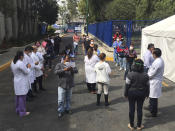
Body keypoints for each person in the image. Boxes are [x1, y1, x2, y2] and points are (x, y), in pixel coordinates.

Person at [124, 59, 149, 130]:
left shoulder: (130, 74)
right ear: (142, 66)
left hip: (131, 93)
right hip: (142, 93)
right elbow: (147, 86)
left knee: (131, 109)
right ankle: (139, 126)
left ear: (134, 65)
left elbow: (127, 85)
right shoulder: (146, 75)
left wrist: (125, 94)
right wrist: (147, 94)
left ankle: (131, 125)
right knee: (139, 109)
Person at [145, 48, 164, 117]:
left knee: (153, 97)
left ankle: (153, 112)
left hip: (155, 81)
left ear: (155, 54)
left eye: (152, 53)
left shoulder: (158, 62)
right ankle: (150, 107)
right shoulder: (159, 60)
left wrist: (145, 77)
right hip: (154, 81)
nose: (152, 54)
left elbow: (151, 74)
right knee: (152, 96)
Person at [11, 51, 31, 117]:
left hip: (16, 80)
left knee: (18, 96)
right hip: (21, 81)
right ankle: (22, 112)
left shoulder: (13, 62)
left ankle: (18, 110)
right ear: (21, 56)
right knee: (22, 97)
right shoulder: (20, 63)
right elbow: (26, 72)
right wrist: (28, 67)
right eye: (23, 56)